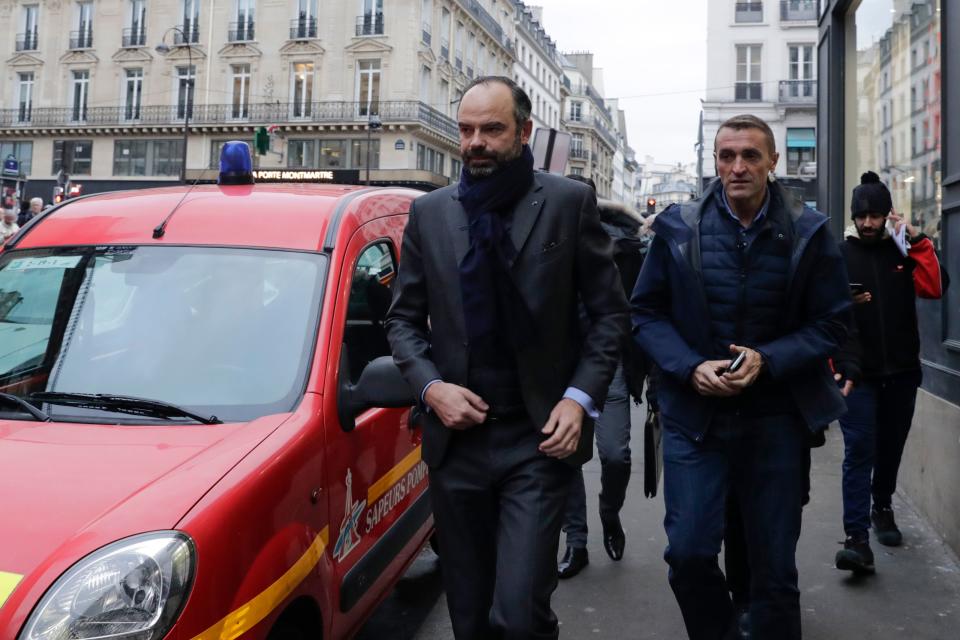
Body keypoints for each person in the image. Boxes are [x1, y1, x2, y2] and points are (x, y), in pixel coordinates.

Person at [385, 76, 628, 639]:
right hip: (457, 443)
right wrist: (430, 388)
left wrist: (579, 399)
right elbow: (402, 321)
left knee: (518, 615)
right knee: (469, 618)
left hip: (537, 439)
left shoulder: (567, 203)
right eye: (467, 129)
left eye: (491, 130)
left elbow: (611, 316)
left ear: (523, 132)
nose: (475, 143)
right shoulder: (431, 213)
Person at [631, 114, 851, 640]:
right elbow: (645, 313)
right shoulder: (679, 228)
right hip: (694, 418)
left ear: (773, 161)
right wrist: (690, 366)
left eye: (750, 155)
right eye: (727, 156)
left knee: (774, 570)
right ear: (714, 163)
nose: (737, 167)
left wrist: (768, 358)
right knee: (687, 554)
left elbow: (834, 322)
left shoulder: (808, 230)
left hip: (774, 420)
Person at [831, 171, 948, 574]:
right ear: (853, 216)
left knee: (891, 447)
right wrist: (843, 304)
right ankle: (856, 539)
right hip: (857, 375)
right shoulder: (840, 254)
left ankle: (882, 506)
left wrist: (916, 241)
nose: (867, 223)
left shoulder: (903, 250)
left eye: (875, 215)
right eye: (861, 216)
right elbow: (821, 311)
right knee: (859, 451)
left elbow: (933, 288)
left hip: (901, 371)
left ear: (887, 215)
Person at [558, 178, 646, 579]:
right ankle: (576, 541)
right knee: (566, 458)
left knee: (616, 455)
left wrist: (650, 375)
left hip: (609, 366)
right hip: (558, 370)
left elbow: (643, 314)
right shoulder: (541, 245)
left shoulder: (624, 251)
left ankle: (609, 513)